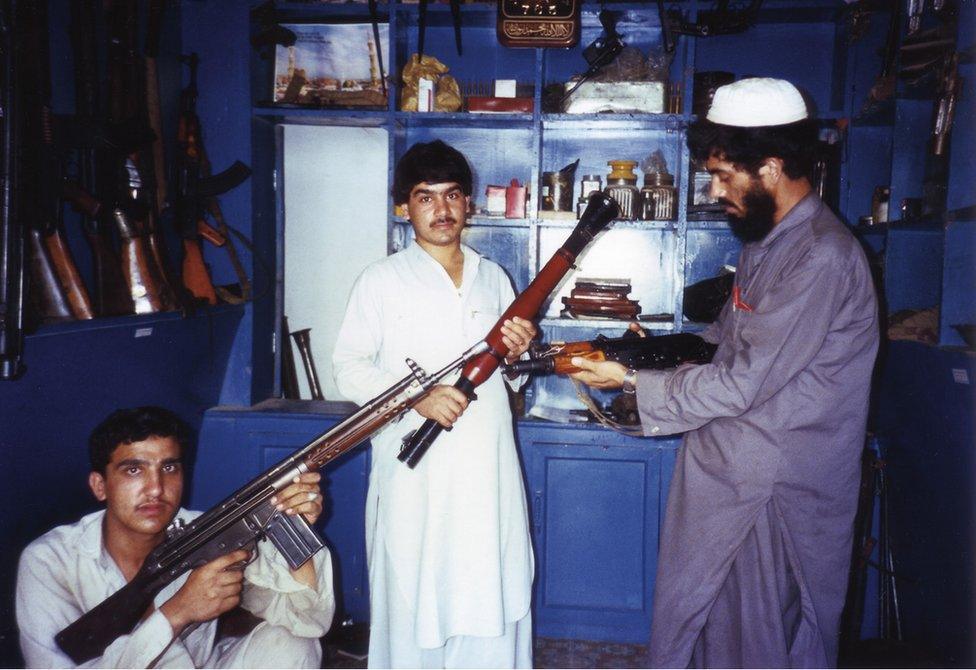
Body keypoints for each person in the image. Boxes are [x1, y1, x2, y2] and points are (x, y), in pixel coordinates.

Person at [570, 78, 879, 667]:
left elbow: (742, 381)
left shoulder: (820, 255)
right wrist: (647, 352)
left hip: (770, 493)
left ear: (769, 166)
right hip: (733, 475)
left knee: (754, 642)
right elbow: (727, 344)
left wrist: (629, 381)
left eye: (722, 175)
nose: (713, 193)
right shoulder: (770, 243)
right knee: (711, 636)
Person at [332, 139, 537, 668]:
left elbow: (511, 383)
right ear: (404, 207)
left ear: (469, 203)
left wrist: (521, 355)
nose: (441, 210)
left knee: (489, 584)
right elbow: (348, 368)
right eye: (426, 197)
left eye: (452, 196)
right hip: (414, 471)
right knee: (414, 591)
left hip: (487, 471)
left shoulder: (495, 278)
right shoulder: (380, 281)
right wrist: (416, 398)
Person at [16, 406, 336, 668]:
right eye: (133, 470)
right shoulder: (49, 561)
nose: (156, 488)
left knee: (291, 645)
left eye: (169, 468)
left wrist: (296, 524)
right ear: (100, 486)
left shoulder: (207, 532)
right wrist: (177, 612)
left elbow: (307, 621)